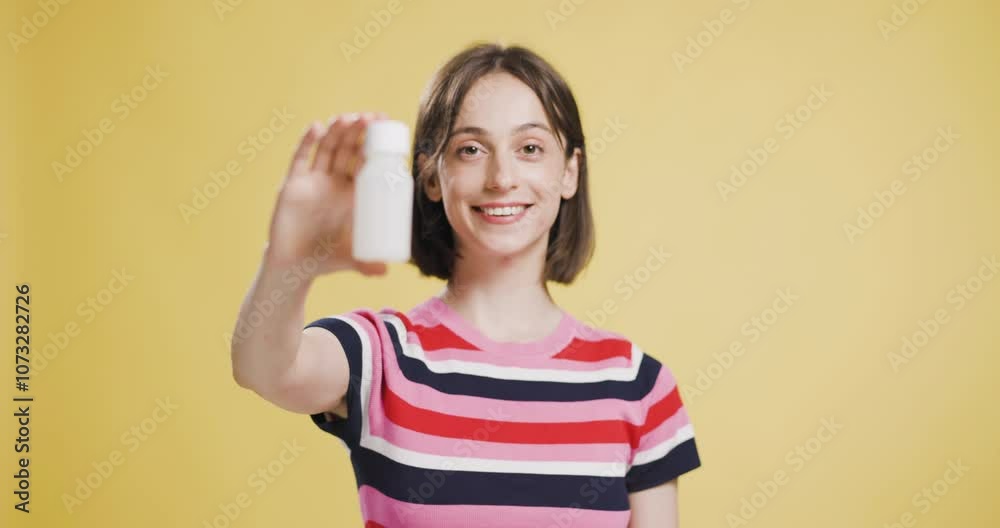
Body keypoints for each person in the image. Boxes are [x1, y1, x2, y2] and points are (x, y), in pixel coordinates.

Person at [230, 42, 701, 528]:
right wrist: (289, 262)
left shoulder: (638, 385)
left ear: (569, 172)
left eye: (530, 149)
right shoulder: (381, 356)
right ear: (433, 177)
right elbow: (264, 370)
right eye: (471, 149)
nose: (501, 178)